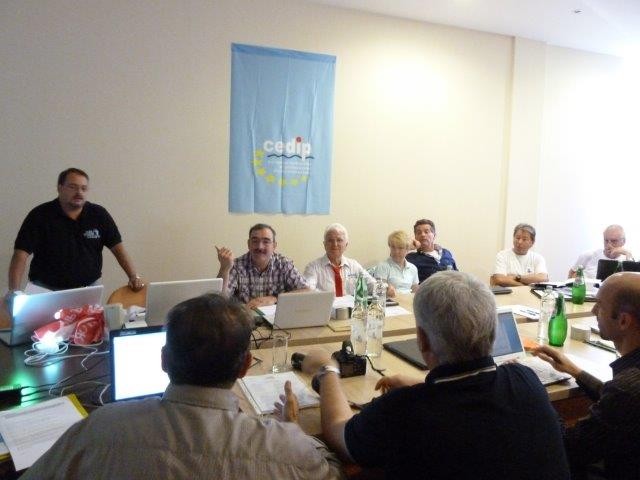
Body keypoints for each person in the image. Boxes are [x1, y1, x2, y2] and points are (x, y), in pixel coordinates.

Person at [22, 294, 343, 480]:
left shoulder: (97, 430)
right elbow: (332, 471)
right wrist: (291, 428)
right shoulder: (285, 447)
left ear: (163, 360)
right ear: (245, 366)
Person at [286, 271, 570, 479]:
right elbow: (468, 399)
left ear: (422, 340)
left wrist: (327, 370)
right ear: (493, 331)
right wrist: (423, 384)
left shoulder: (404, 409)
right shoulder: (525, 380)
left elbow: (340, 435)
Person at [534, 271, 640, 480]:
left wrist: (536, 394)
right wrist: (576, 372)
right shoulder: (627, 388)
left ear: (623, 321)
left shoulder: (626, 390)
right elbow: (620, 405)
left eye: (599, 305)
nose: (593, 311)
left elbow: (569, 447)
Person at [7, 168, 143, 295]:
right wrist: (14, 291)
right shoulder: (39, 215)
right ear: (59, 188)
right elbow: (20, 255)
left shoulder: (99, 214)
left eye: (84, 188)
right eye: (73, 187)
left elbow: (118, 249)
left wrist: (133, 276)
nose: (79, 192)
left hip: (88, 288)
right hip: (44, 289)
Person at [216, 224, 308, 308]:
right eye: (255, 241)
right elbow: (219, 299)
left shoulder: (284, 265)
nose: (260, 247)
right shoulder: (236, 265)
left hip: (276, 318)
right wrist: (225, 268)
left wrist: (275, 299)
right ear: (248, 244)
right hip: (245, 318)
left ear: (274, 246)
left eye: (266, 242)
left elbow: (307, 291)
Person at [303, 223, 374, 296]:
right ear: (324, 244)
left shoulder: (354, 266)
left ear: (346, 245)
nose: (335, 244)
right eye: (330, 240)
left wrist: (380, 287)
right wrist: (326, 297)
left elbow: (372, 286)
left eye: (339, 240)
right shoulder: (313, 267)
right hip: (326, 303)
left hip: (350, 304)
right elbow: (308, 291)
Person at [491, 223, 548, 287]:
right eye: (517, 238)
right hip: (509, 292)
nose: (519, 242)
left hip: (530, 293)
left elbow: (543, 278)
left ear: (532, 242)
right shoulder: (502, 255)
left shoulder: (537, 258)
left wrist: (516, 277)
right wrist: (526, 285)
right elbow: (499, 279)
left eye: (524, 239)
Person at [568, 224, 634, 279]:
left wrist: (627, 253)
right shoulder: (589, 255)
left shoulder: (627, 259)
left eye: (614, 241)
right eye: (606, 240)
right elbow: (572, 274)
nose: (609, 245)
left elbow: (632, 282)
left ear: (623, 241)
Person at [406, 219, 457, 283]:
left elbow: (457, 275)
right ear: (415, 237)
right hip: (428, 288)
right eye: (419, 233)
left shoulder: (446, 253)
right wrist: (407, 248)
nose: (423, 235)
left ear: (434, 235)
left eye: (426, 232)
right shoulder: (410, 258)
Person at [373, 230, 418, 297]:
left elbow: (415, 291)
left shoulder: (413, 268)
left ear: (407, 249)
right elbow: (379, 292)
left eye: (400, 248)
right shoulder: (383, 266)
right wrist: (387, 290)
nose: (396, 251)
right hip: (392, 300)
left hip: (409, 300)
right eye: (393, 247)